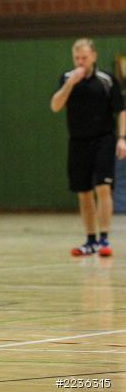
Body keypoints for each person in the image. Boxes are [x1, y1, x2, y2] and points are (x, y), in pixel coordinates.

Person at [50, 38, 126, 257]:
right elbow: (55, 105)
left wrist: (121, 138)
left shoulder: (106, 80)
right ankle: (90, 240)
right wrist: (69, 84)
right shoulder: (66, 78)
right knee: (83, 192)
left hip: (103, 139)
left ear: (93, 56)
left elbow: (121, 110)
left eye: (84, 57)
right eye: (77, 58)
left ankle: (104, 239)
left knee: (102, 187)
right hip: (78, 141)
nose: (80, 62)